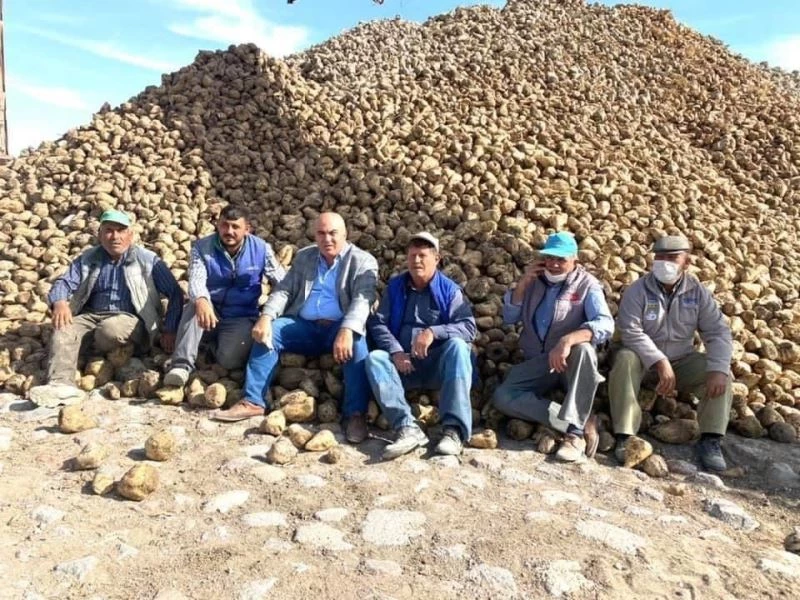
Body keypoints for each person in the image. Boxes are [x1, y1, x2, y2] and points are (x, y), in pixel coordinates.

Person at [213, 212, 378, 445]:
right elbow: (284, 290)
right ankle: (253, 401)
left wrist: (348, 329)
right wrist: (267, 316)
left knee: (358, 343)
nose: (327, 239)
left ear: (345, 234)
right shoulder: (305, 257)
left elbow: (364, 299)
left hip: (338, 327)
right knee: (271, 332)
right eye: (321, 233)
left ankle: (355, 414)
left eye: (333, 233)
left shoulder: (363, 261)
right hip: (304, 326)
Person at [28, 209, 183, 407]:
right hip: (91, 316)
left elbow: (175, 293)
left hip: (131, 319)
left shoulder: (147, 260)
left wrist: (169, 329)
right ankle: (60, 385)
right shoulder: (88, 258)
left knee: (109, 330)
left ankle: (90, 350)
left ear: (130, 235)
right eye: (109, 231)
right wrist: (59, 302)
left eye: (120, 230)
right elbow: (64, 283)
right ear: (100, 234)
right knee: (63, 329)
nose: (115, 236)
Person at [609, 235, 733, 472]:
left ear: (686, 262)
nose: (665, 262)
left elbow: (717, 332)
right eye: (660, 257)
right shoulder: (638, 290)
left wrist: (718, 368)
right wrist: (658, 360)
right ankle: (625, 435)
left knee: (721, 372)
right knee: (625, 358)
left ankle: (711, 439)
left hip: (681, 360)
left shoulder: (697, 293)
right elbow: (630, 331)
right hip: (643, 362)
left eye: (672, 258)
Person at [492, 232, 613, 462]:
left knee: (585, 349)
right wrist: (522, 286)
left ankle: (575, 435)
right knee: (503, 396)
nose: (554, 264)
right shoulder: (533, 282)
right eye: (550, 258)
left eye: (561, 260)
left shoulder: (587, 285)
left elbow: (606, 324)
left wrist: (567, 340)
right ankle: (576, 420)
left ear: (574, 260)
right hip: (539, 362)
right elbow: (509, 317)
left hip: (570, 364)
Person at [365, 232, 478, 460]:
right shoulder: (397, 286)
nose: (416, 261)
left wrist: (433, 332)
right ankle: (407, 427)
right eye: (412, 255)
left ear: (437, 259)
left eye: (423, 255)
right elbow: (378, 323)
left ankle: (454, 431)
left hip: (438, 366)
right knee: (375, 358)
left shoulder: (449, 290)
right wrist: (396, 351)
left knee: (458, 346)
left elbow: (468, 327)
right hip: (404, 365)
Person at [163, 206, 285, 386]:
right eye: (224, 225)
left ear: (247, 229)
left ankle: (206, 348)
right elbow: (196, 278)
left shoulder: (261, 249)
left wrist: (272, 312)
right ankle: (181, 365)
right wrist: (202, 299)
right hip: (210, 310)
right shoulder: (202, 247)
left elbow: (282, 281)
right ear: (218, 226)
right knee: (193, 307)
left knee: (230, 361)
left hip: (241, 315)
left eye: (235, 227)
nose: (229, 231)